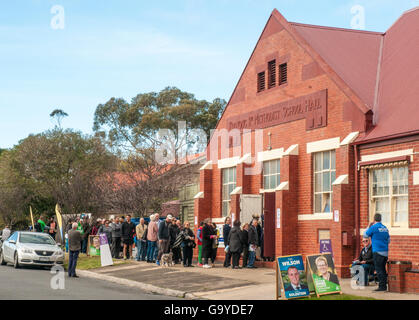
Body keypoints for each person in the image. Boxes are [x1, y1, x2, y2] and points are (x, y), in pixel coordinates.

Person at [364, 213, 390, 292]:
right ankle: (384, 285)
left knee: (379, 270)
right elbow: (389, 240)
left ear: (374, 219)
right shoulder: (385, 228)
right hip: (385, 252)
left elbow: (365, 235)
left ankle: (382, 287)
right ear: (381, 219)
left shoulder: (374, 227)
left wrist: (369, 225)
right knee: (383, 269)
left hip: (377, 251)